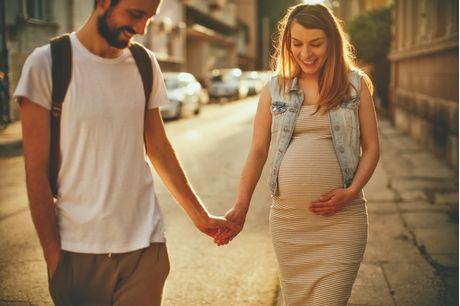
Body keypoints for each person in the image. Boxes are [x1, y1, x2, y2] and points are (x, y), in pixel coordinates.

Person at [14, 0, 239, 304]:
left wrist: (200, 217)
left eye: (149, 18)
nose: (141, 28)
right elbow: (36, 173)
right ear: (104, 2)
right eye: (135, 14)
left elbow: (158, 147)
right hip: (78, 253)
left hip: (145, 249)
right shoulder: (47, 64)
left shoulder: (144, 63)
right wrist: (55, 260)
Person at [216, 3, 380, 306]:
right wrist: (240, 207)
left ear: (332, 40)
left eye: (316, 43)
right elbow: (257, 150)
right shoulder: (274, 89)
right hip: (290, 226)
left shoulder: (355, 85)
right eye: (297, 43)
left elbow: (372, 148)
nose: (306, 53)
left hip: (342, 223)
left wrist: (352, 191)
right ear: (287, 43)